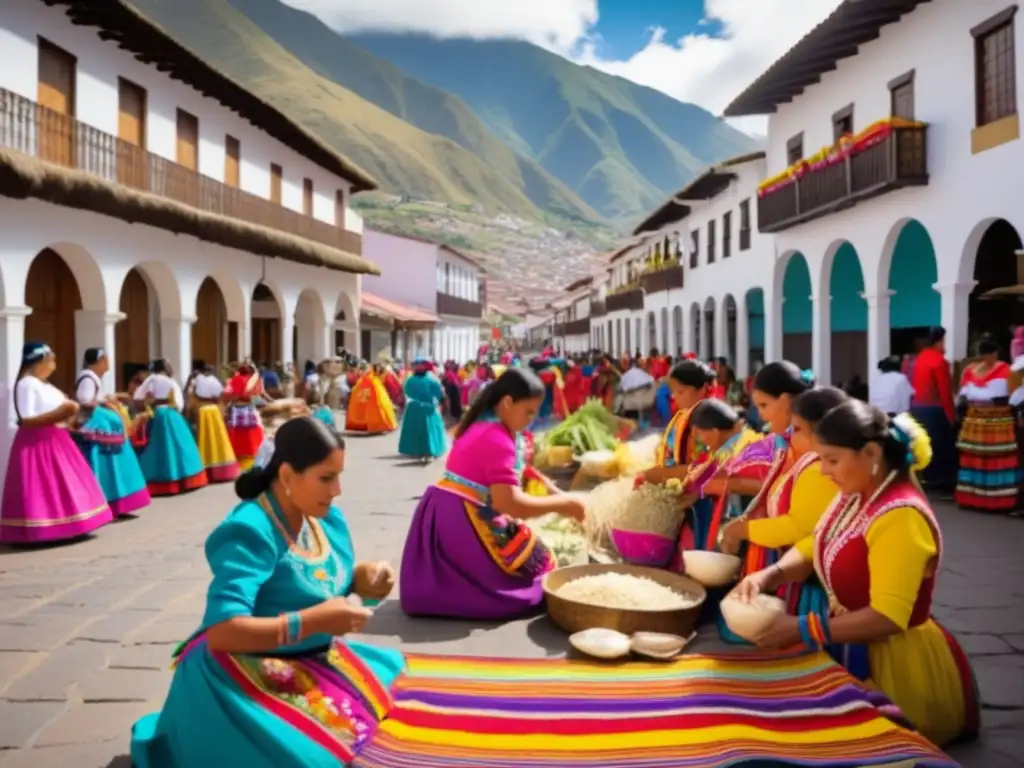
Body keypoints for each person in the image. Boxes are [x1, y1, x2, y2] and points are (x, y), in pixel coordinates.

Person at [130, 417, 404, 766]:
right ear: (287, 476)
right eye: (326, 477)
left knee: (390, 690)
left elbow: (310, 580)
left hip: (308, 654)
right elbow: (222, 631)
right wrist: (310, 622)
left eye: (338, 476)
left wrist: (361, 577)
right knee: (315, 757)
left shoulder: (321, 517)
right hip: (243, 666)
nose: (337, 490)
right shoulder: (249, 531)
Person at [732, 401, 980, 748]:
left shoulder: (900, 516)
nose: (823, 471)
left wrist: (801, 628)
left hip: (893, 663)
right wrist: (770, 575)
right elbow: (816, 542)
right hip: (844, 637)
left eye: (831, 460)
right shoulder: (856, 494)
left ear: (871, 453)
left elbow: (887, 616)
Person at [400, 368, 586, 620]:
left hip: (446, 511)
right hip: (461, 518)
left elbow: (512, 473)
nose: (531, 419)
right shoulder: (496, 437)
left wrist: (549, 488)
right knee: (539, 572)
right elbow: (511, 504)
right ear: (508, 402)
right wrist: (563, 504)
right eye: (528, 412)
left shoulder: (486, 424)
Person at [0, 343, 113, 543]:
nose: (53, 366)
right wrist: (63, 412)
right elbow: (27, 418)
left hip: (55, 438)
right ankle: (47, 527)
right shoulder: (27, 384)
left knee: (62, 482)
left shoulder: (43, 385)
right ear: (39, 362)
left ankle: (70, 523)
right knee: (45, 484)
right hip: (38, 441)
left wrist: (68, 415)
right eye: (51, 361)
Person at [640, 360, 717, 555]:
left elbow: (704, 467)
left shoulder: (708, 422)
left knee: (697, 548)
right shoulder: (683, 415)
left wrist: (658, 474)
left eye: (680, 392)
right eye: (673, 391)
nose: (674, 397)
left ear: (702, 390)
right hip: (677, 494)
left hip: (697, 499)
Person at [73, 348, 151, 517]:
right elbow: (85, 401)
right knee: (105, 462)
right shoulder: (88, 377)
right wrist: (105, 403)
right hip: (99, 427)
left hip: (105, 424)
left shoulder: (92, 377)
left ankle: (117, 500)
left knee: (113, 461)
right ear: (99, 361)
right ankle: (106, 501)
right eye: (106, 359)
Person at [955, 335, 1018, 512]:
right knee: (975, 458)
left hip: (996, 422)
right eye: (983, 355)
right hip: (976, 422)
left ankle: (996, 500)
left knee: (995, 460)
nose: (986, 359)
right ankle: (972, 498)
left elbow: (1012, 396)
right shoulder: (970, 370)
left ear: (996, 353)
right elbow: (963, 395)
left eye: (988, 355)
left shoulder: (1007, 370)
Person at [134, 360, 209, 496]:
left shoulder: (151, 379)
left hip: (157, 414)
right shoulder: (170, 381)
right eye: (168, 365)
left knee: (157, 449)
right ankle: (185, 479)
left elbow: (138, 396)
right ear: (163, 368)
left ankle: (159, 483)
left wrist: (149, 403)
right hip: (171, 414)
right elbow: (179, 403)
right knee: (179, 447)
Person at [910, 327, 957, 493]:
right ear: (941, 341)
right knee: (942, 446)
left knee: (925, 443)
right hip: (934, 409)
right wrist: (951, 416)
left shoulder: (918, 359)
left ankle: (927, 478)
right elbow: (945, 392)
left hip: (917, 408)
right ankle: (942, 482)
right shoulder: (939, 361)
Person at [188, 364, 239, 484]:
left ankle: (206, 469)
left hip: (202, 410)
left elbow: (190, 397)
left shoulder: (195, 381)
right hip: (214, 410)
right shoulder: (215, 380)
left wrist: (189, 412)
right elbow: (221, 396)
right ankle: (222, 470)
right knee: (218, 439)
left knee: (204, 440)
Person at [398, 361, 448, 462]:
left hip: (414, 407)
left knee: (414, 430)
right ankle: (431, 450)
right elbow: (439, 393)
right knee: (430, 430)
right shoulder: (432, 380)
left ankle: (416, 450)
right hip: (428, 408)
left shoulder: (410, 380)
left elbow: (406, 392)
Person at [224, 363, 267, 471]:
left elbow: (228, 394)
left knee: (236, 431)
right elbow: (258, 396)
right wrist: (265, 402)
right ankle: (251, 452)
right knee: (251, 432)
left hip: (236, 410)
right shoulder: (255, 380)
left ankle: (237, 453)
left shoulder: (234, 380)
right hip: (249, 409)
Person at [345, 366, 398, 434]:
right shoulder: (371, 379)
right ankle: (377, 427)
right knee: (375, 414)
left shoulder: (371, 379)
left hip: (373, 402)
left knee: (375, 414)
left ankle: (377, 427)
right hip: (372, 402)